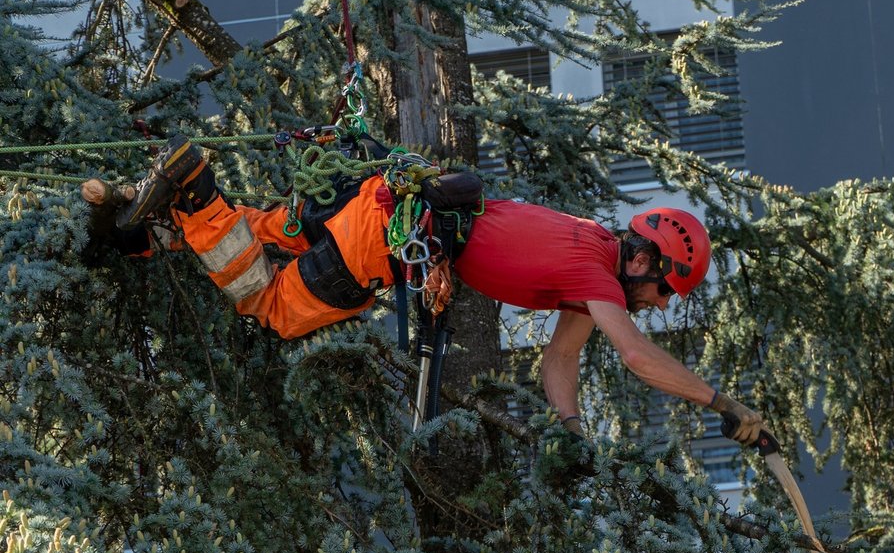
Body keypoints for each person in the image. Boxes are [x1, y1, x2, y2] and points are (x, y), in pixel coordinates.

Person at [83, 134, 765, 445]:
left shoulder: (587, 245)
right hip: (380, 240)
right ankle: (194, 190)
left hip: (377, 198)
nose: (652, 308)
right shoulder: (596, 279)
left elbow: (562, 359)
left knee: (264, 232)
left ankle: (134, 226)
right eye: (661, 295)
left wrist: (572, 437)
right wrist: (720, 401)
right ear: (648, 267)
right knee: (274, 306)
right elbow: (639, 358)